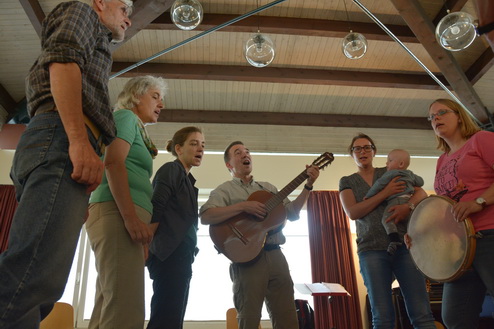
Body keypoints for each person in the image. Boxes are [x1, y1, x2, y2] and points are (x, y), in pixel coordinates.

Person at [0, 0, 132, 328]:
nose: (128, 20)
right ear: (101, 2)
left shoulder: (95, 35)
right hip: (60, 137)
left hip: (57, 141)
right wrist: (77, 141)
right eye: (125, 9)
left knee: (41, 277)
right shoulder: (82, 11)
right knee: (31, 277)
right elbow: (62, 61)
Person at [200, 141, 320, 329]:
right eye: (238, 153)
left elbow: (294, 213)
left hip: (276, 255)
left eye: (247, 151)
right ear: (229, 165)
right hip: (247, 259)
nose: (245, 154)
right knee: (249, 318)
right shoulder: (225, 190)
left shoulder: (268, 188)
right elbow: (206, 216)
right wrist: (243, 206)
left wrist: (308, 186)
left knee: (288, 318)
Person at [85, 75, 167, 329]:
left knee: (111, 301)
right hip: (117, 213)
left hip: (122, 215)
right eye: (155, 96)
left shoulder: (135, 126)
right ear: (135, 96)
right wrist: (131, 219)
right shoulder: (125, 117)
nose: (161, 104)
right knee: (125, 306)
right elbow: (112, 162)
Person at [339, 133, 435, 329]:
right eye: (357, 148)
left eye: (367, 147)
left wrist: (407, 206)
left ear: (374, 151)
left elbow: (421, 192)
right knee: (382, 317)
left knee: (422, 313)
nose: (362, 151)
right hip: (371, 250)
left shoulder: (391, 170)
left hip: (406, 246)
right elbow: (354, 212)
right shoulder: (347, 181)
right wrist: (386, 193)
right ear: (352, 154)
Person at [427, 98, 494, 329]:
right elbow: (445, 207)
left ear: (459, 115)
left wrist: (480, 201)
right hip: (460, 247)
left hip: (489, 234)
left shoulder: (481, 140)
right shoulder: (442, 160)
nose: (435, 119)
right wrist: (417, 237)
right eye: (432, 117)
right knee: (456, 318)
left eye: (441, 112)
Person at [146, 126, 205, 329]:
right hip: (167, 255)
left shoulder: (187, 180)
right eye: (194, 143)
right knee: (166, 318)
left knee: (173, 318)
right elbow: (156, 207)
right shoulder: (171, 170)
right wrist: (145, 246)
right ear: (178, 149)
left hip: (181, 256)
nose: (200, 149)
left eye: (203, 145)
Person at [365, 149, 424, 255]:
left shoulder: (391, 174)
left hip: (396, 201)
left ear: (401, 164)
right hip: (408, 199)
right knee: (411, 222)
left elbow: (379, 184)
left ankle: (394, 238)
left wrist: (369, 195)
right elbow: (420, 182)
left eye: (390, 160)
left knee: (386, 220)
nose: (386, 163)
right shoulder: (410, 174)